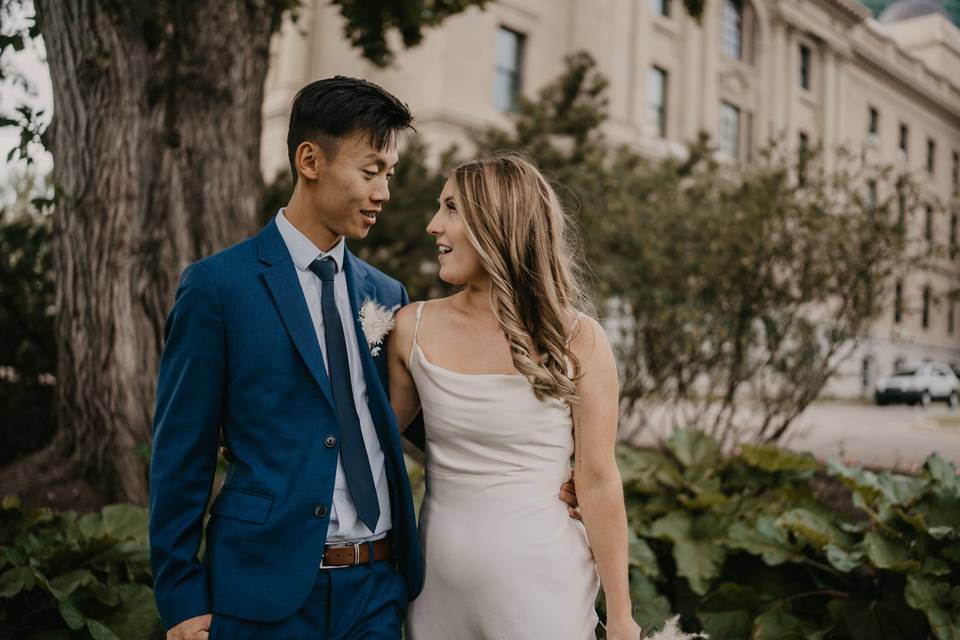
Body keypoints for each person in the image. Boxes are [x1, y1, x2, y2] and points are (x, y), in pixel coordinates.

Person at [148, 77, 578, 640]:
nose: (384, 193)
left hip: (377, 589)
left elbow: (412, 418)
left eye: (390, 175)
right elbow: (182, 448)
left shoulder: (387, 297)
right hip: (261, 587)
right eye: (370, 171)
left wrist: (540, 467)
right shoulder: (219, 287)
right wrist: (180, 596)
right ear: (310, 160)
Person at [388, 154, 643, 639]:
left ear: (497, 222)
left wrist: (623, 618)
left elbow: (598, 479)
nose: (432, 225)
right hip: (437, 589)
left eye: (450, 208)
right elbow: (369, 447)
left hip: (544, 586)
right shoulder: (411, 327)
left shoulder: (578, 339)